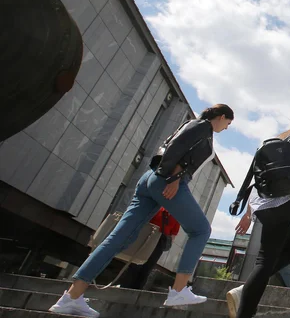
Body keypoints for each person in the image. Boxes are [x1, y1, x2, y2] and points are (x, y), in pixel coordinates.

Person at [49, 104, 234, 317]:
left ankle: (71, 297)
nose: (226, 128)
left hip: (151, 179)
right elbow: (175, 147)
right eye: (228, 124)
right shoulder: (202, 127)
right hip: (166, 179)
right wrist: (174, 178)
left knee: (117, 238)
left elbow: (172, 148)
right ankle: (179, 290)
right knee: (201, 230)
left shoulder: (194, 126)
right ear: (221, 117)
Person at [226, 117, 290, 318]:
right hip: (281, 202)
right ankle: (245, 309)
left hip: (262, 203)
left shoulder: (282, 138)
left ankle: (247, 289)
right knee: (266, 260)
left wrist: (248, 213)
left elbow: (259, 179)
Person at [119, 207, 180, 290]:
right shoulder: (158, 209)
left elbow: (173, 235)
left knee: (145, 267)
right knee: (137, 264)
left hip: (156, 242)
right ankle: (127, 288)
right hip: (149, 240)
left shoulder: (175, 216)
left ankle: (133, 289)